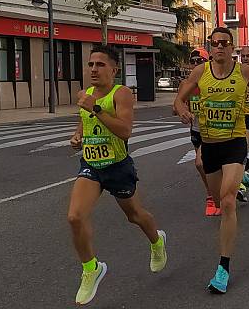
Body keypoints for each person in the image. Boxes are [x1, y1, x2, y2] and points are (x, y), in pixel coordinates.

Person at [174, 27, 249, 294]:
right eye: (215, 43)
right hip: (209, 146)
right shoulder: (200, 72)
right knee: (218, 201)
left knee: (228, 203)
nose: (219, 47)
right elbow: (179, 100)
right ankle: (243, 178)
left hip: (235, 143)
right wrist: (182, 110)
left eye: (225, 43)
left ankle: (223, 267)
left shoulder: (244, 72)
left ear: (232, 47)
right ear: (210, 46)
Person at [68, 45, 167, 305]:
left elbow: (125, 131)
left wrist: (96, 110)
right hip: (91, 164)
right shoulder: (86, 94)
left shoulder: (120, 94)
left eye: (100, 65)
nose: (93, 69)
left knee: (135, 216)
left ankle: (157, 242)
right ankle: (91, 269)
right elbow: (84, 121)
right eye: (91, 64)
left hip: (117, 166)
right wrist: (78, 136)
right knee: (75, 217)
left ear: (115, 69)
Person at [176, 47, 220, 216]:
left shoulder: (215, 80)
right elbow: (178, 104)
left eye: (199, 61)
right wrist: (183, 112)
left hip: (216, 130)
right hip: (196, 130)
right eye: (192, 61)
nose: (195, 64)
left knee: (200, 163)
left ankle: (216, 195)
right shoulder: (186, 84)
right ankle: (212, 193)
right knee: (205, 166)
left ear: (207, 61)